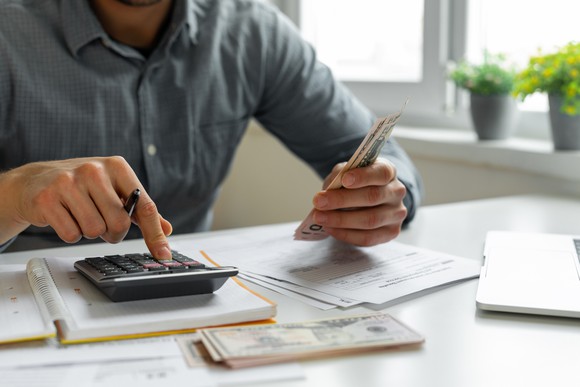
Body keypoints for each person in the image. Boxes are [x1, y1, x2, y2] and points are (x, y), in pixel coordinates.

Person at [0, 0, 424, 258]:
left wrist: (378, 195)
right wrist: (14, 194)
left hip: (191, 302)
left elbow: (387, 161)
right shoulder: (8, 33)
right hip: (25, 297)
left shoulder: (253, 32)